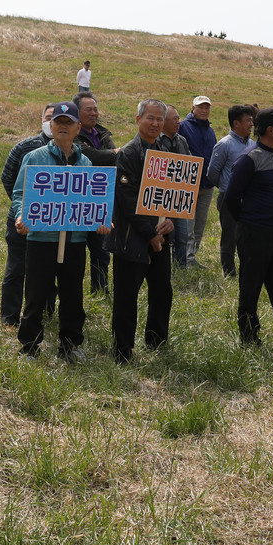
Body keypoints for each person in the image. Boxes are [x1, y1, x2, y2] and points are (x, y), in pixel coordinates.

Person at [11, 102, 109, 362]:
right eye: (58, 122)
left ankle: (70, 346)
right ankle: (29, 347)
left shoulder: (86, 163)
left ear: (78, 128)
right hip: (41, 239)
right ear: (50, 126)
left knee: (72, 295)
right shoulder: (35, 158)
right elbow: (20, 193)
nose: (63, 126)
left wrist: (100, 220)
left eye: (69, 122)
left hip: (75, 240)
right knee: (35, 295)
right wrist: (22, 215)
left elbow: (94, 199)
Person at [224, 108, 273, 353]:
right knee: (250, 290)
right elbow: (231, 198)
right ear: (271, 130)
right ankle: (250, 342)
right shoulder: (249, 159)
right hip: (254, 234)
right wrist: (247, 223)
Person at [105, 100, 175, 363]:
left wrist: (170, 222)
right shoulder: (129, 153)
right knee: (126, 297)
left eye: (160, 119)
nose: (155, 123)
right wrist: (150, 234)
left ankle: (156, 342)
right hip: (131, 238)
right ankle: (122, 350)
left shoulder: (166, 150)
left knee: (162, 291)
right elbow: (127, 200)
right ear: (138, 119)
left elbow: (173, 194)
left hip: (160, 234)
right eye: (150, 118)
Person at [0, 105, 54, 328]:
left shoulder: (73, 150)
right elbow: (8, 178)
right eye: (49, 118)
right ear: (42, 119)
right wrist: (22, 206)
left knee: (48, 270)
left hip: (53, 222)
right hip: (21, 220)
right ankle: (9, 316)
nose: (53, 123)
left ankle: (45, 311)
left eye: (57, 119)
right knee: (16, 269)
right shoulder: (25, 147)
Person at [74, 91, 116, 295]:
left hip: (100, 202)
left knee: (102, 250)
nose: (93, 113)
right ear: (78, 112)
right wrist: (115, 153)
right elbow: (91, 157)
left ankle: (100, 291)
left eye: (96, 109)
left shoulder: (103, 134)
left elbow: (113, 163)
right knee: (77, 251)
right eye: (88, 109)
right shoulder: (73, 134)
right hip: (78, 202)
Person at [207, 105, 256, 277]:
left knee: (247, 236)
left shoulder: (253, 145)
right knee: (229, 238)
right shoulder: (224, 145)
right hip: (228, 197)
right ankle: (229, 272)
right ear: (236, 123)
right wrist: (226, 186)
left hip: (248, 198)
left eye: (252, 120)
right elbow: (212, 173)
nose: (252, 124)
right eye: (248, 120)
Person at [178, 96, 217, 268]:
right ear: (192, 108)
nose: (204, 110)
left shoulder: (210, 131)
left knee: (200, 224)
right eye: (201, 107)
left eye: (207, 107)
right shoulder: (183, 127)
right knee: (188, 225)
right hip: (188, 184)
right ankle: (184, 259)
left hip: (207, 185)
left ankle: (192, 257)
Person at [161, 106, 193, 268]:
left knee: (182, 234)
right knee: (165, 234)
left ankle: (181, 266)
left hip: (179, 196)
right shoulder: (157, 141)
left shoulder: (182, 140)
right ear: (163, 121)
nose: (178, 122)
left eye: (178, 118)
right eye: (174, 119)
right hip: (161, 196)